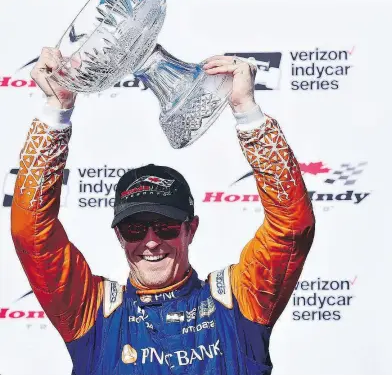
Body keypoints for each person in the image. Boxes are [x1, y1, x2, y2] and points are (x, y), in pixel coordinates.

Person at [11, 47, 316, 375]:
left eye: (165, 226)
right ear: (119, 235)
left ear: (191, 229)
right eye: (135, 229)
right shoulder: (95, 314)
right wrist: (56, 110)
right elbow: (31, 232)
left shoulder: (239, 302)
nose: (151, 241)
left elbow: (292, 225)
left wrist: (247, 113)